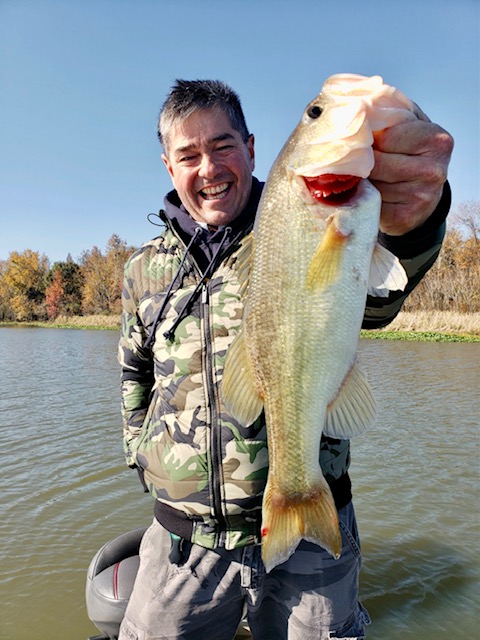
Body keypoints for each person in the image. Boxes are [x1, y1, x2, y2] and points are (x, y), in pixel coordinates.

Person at [117, 79, 453, 640]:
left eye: (223, 146)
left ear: (251, 147)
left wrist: (419, 217)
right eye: (188, 155)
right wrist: (140, 451)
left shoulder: (298, 216)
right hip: (184, 541)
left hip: (312, 542)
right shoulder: (140, 269)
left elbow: (383, 294)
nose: (209, 168)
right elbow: (134, 370)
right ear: (168, 166)